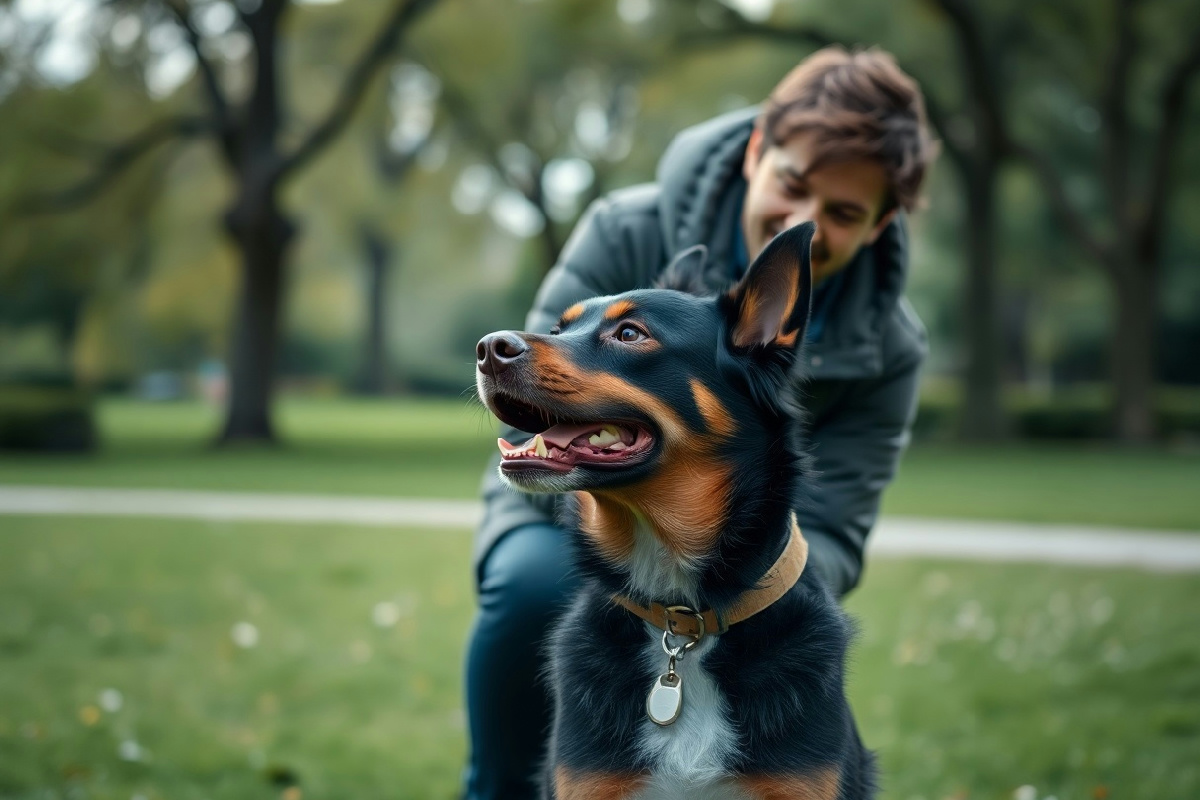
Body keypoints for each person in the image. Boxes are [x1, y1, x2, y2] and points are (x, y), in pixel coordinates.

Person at [463, 46, 938, 800]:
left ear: (879, 226)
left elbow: (837, 529)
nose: (806, 221)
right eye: (794, 184)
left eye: (844, 213)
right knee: (529, 587)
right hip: (577, 496)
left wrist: (729, 599)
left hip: (764, 566)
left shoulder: (891, 347)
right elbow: (544, 399)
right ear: (758, 151)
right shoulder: (623, 228)